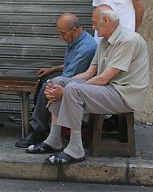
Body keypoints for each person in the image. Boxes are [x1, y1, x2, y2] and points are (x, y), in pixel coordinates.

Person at [26, 5, 149, 165]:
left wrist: (68, 90)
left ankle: (75, 149)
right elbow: (90, 73)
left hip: (123, 94)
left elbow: (104, 78)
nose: (92, 27)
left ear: (105, 20)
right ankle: (54, 138)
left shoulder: (128, 40)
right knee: (58, 82)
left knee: (73, 90)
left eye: (94, 23)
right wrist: (62, 86)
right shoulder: (105, 42)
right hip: (107, 89)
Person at [15, 13, 97, 148]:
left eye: (63, 33)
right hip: (71, 77)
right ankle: (38, 118)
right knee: (44, 79)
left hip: (78, 85)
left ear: (75, 30)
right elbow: (70, 65)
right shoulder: (77, 40)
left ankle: (39, 130)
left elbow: (69, 77)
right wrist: (52, 69)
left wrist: (53, 79)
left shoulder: (86, 48)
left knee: (48, 85)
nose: (61, 37)